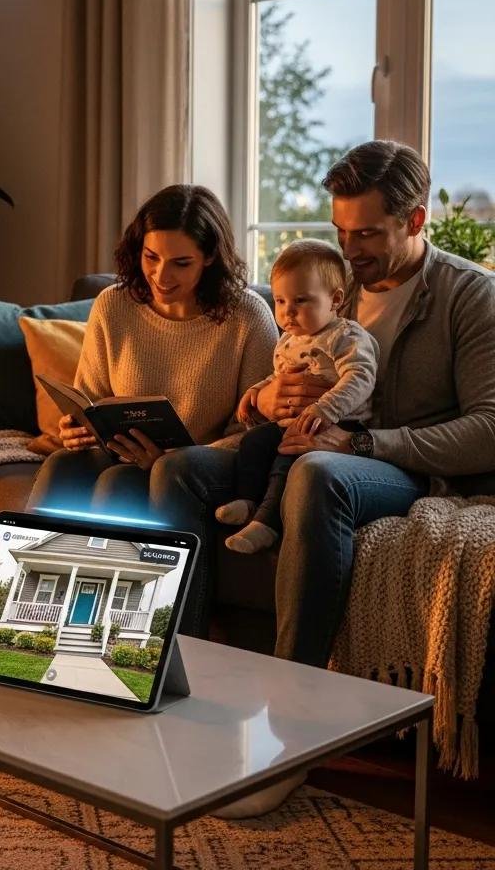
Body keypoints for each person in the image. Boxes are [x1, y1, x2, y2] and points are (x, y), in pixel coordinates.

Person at [150, 140, 495, 669]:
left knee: (317, 473)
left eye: (367, 234)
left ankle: (296, 697)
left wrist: (362, 442)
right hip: (303, 442)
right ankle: (176, 668)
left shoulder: (469, 297)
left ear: (416, 219)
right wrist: (262, 399)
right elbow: (276, 371)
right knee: (178, 469)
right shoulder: (331, 283)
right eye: (341, 231)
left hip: (404, 469)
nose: (351, 250)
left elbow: (488, 430)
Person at [27, 184, 278, 634]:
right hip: (124, 452)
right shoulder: (113, 305)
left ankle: (153, 644)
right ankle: (21, 625)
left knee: (125, 482)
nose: (161, 276)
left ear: (210, 258)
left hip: (202, 466)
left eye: (181, 263)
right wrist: (76, 429)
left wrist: (169, 458)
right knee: (64, 466)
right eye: (150, 257)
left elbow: (256, 429)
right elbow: (90, 396)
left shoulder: (247, 317)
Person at [216, 239, 379, 554]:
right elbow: (279, 375)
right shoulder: (289, 339)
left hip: (340, 424)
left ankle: (266, 524)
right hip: (294, 420)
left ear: (335, 300)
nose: (287, 311)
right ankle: (247, 501)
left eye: (301, 301)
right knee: (253, 443)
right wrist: (256, 391)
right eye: (279, 300)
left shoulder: (346, 336)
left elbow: (361, 377)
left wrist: (324, 409)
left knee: (287, 457)